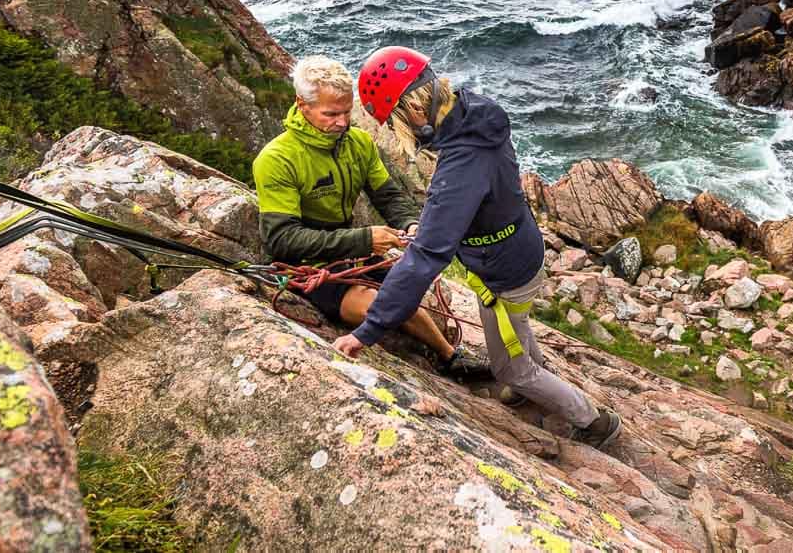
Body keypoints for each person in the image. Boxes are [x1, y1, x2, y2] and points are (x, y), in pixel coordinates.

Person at [333, 47, 621, 449]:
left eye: (395, 122)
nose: (403, 135)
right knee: (514, 326)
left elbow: (425, 260)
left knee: (509, 369)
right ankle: (530, 381)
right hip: (518, 249)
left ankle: (593, 421)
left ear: (412, 112)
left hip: (503, 272)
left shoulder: (461, 163)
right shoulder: (472, 112)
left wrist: (368, 331)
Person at [252, 55, 490, 381]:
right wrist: (364, 239)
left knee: (404, 290)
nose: (341, 122)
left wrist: (410, 223)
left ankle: (452, 358)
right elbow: (281, 239)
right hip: (307, 265)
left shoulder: (358, 143)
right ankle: (448, 358)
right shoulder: (278, 159)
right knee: (379, 305)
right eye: (331, 114)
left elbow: (387, 195)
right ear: (302, 105)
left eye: (347, 112)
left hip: (348, 252)